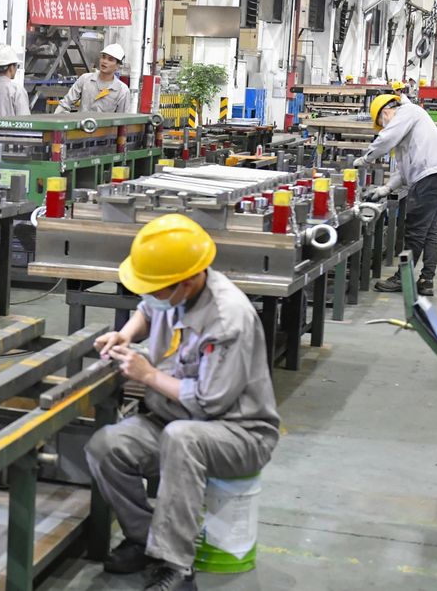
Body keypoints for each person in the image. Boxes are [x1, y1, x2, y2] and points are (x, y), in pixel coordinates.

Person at [85, 213, 279, 591]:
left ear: (188, 282)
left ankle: (174, 564)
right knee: (105, 447)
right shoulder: (169, 292)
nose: (152, 296)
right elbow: (147, 309)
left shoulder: (227, 319)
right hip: (171, 416)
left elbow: (209, 403)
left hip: (239, 431)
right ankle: (145, 539)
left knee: (182, 439)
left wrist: (148, 375)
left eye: (158, 289)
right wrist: (124, 336)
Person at [353, 94, 437, 296]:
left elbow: (386, 139)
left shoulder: (407, 112)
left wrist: (365, 159)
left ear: (385, 113)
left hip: (430, 179)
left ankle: (402, 278)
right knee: (429, 232)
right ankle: (426, 280)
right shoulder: (411, 125)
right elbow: (403, 170)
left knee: (415, 232)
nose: (383, 128)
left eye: (382, 124)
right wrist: (386, 189)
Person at [55, 43, 131, 114]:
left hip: (104, 128)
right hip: (82, 126)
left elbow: (122, 119)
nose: (104, 61)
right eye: (103, 57)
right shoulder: (85, 79)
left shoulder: (122, 91)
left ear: (117, 65)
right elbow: (65, 103)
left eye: (110, 59)